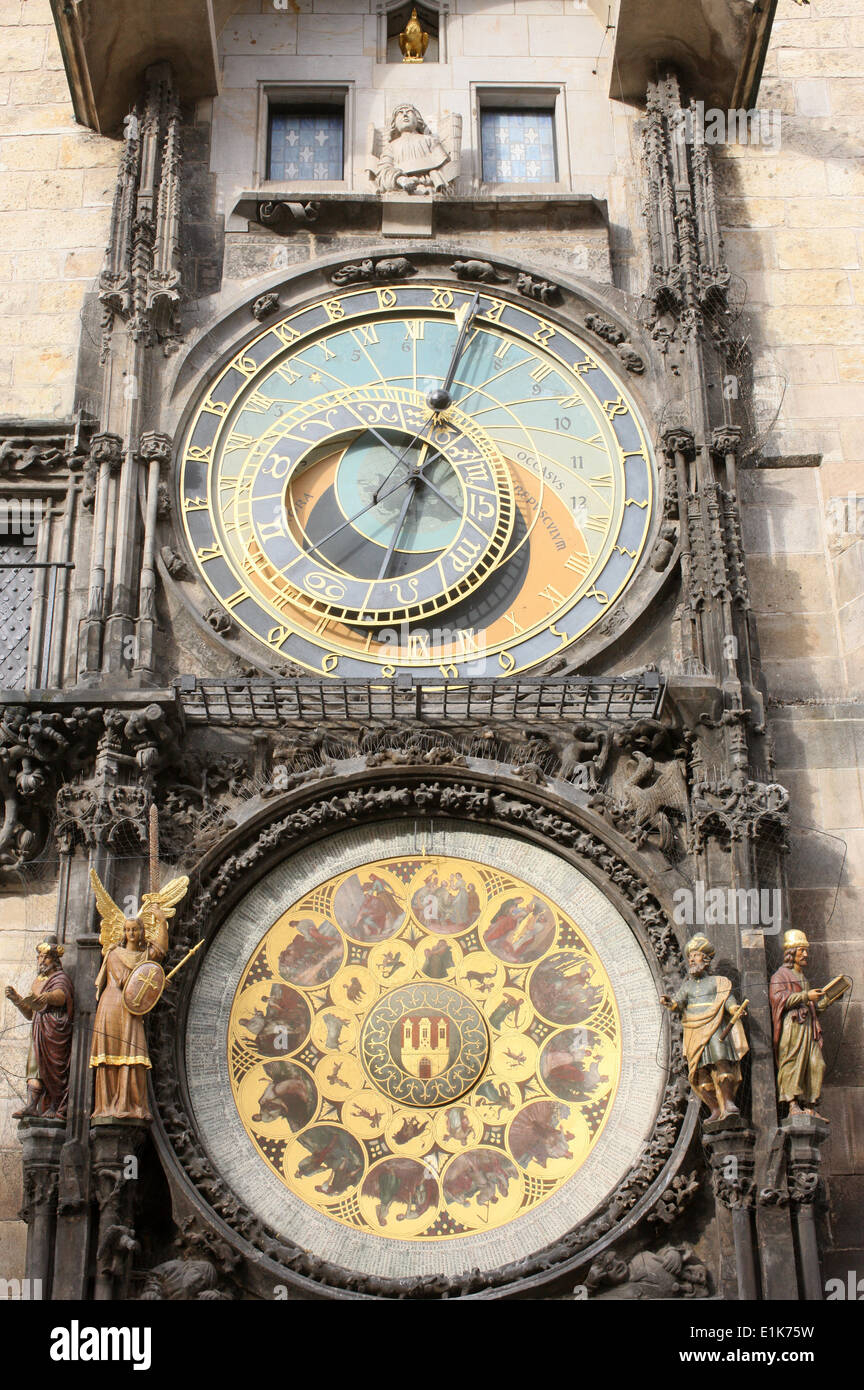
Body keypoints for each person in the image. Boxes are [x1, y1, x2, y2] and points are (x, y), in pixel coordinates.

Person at [661, 934, 748, 1122]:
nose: (692, 959)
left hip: (716, 1027)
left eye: (696, 955)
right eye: (690, 956)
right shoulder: (687, 987)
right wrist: (669, 1002)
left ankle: (728, 1102)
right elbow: (677, 1003)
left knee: (722, 1061)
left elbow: (728, 1000)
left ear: (706, 959)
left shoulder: (718, 982)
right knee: (699, 1071)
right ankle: (715, 1108)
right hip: (694, 1029)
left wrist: (734, 1010)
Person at [6, 935, 74, 1119]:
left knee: (53, 1068)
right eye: (39, 957)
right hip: (38, 1029)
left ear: (54, 960)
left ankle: (56, 1105)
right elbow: (30, 1013)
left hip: (54, 1029)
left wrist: (48, 997)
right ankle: (31, 1105)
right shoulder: (38, 981)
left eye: (46, 957)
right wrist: (17, 1000)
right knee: (34, 1067)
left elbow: (61, 996)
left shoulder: (60, 978)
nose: (41, 961)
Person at [769, 929, 828, 1120]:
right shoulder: (781, 975)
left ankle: (810, 1105)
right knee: (792, 1063)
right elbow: (778, 999)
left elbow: (811, 1006)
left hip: (808, 1027)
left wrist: (826, 1000)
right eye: (801, 950)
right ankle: (793, 1104)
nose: (805, 954)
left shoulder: (803, 977)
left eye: (805, 950)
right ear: (791, 952)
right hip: (793, 1026)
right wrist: (805, 996)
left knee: (817, 1064)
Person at [372, 105, 452, 195]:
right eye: (400, 113)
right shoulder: (391, 146)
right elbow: (383, 172)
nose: (405, 115)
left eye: (409, 111)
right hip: (401, 189)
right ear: (394, 123)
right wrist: (401, 179)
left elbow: (445, 167)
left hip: (429, 188)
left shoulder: (429, 140)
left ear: (417, 119)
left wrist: (434, 177)